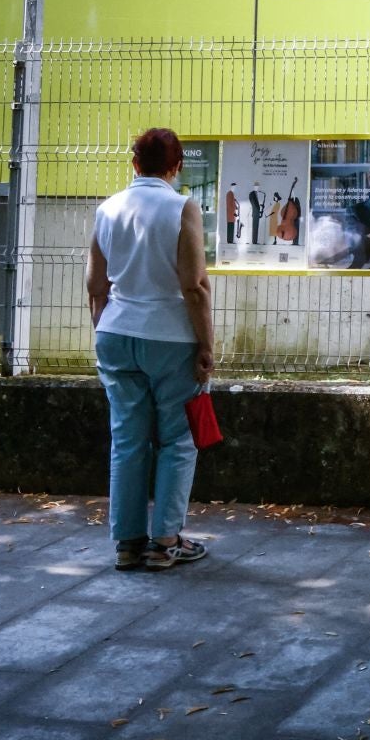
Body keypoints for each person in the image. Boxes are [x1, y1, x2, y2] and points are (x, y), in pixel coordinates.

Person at [86, 128, 216, 573]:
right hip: (170, 336)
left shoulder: (107, 209)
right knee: (178, 440)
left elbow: (95, 286)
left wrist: (104, 331)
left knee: (127, 440)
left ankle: (127, 543)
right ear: (176, 166)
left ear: (134, 163)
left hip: (116, 333)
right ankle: (164, 542)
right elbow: (194, 286)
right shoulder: (182, 207)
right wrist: (206, 345)